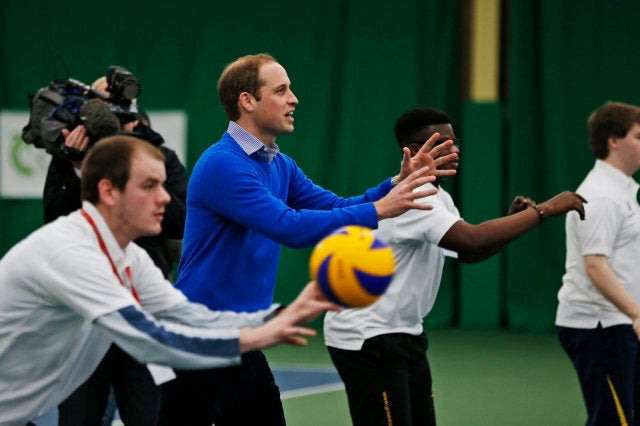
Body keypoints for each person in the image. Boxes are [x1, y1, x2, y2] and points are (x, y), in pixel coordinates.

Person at [157, 54, 457, 425]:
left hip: (247, 342)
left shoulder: (280, 164)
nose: (293, 99)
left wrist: (398, 183)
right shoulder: (223, 163)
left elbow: (338, 206)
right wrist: (381, 210)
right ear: (247, 101)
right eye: (281, 90)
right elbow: (290, 227)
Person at [0, 135, 338, 426]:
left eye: (163, 185)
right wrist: (258, 335)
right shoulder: (72, 254)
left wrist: (276, 316)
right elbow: (151, 340)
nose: (165, 198)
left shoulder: (130, 257)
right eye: (149, 186)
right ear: (108, 191)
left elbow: (189, 315)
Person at [323, 106, 587, 426]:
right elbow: (472, 241)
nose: (454, 150)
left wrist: (513, 221)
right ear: (413, 151)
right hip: (368, 336)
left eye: (454, 141)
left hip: (402, 332)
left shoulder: (438, 195)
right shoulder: (414, 195)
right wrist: (544, 210)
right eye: (442, 143)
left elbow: (467, 253)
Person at [42, 75, 189, 426]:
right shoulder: (69, 161)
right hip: (83, 320)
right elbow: (55, 225)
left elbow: (180, 220)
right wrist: (81, 171)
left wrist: (136, 179)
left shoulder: (160, 158)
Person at [555, 101, 640, 426]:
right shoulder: (602, 196)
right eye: (638, 136)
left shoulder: (624, 191)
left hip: (620, 324)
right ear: (613, 141)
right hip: (599, 327)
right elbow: (595, 266)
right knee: (612, 419)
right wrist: (635, 313)